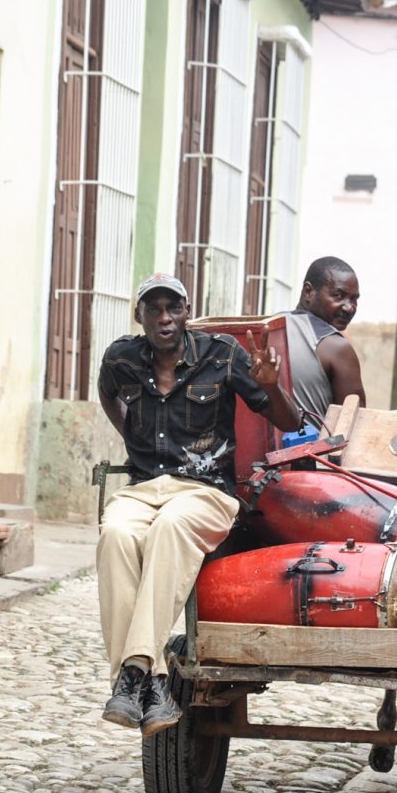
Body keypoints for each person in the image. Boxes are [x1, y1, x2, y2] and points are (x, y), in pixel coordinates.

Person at [96, 273, 301, 734]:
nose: (164, 318)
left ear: (187, 313)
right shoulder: (121, 358)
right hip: (145, 487)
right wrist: (131, 435)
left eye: (173, 308)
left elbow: (286, 420)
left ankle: (130, 677)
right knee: (116, 532)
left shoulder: (223, 355)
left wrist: (270, 386)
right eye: (154, 309)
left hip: (205, 492)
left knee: (170, 527)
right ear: (140, 316)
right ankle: (151, 683)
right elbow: (108, 393)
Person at [285, 256, 365, 420]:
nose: (349, 307)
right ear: (309, 292)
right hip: (313, 445)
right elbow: (354, 425)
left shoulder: (272, 326)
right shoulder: (337, 348)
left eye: (354, 299)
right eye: (338, 295)